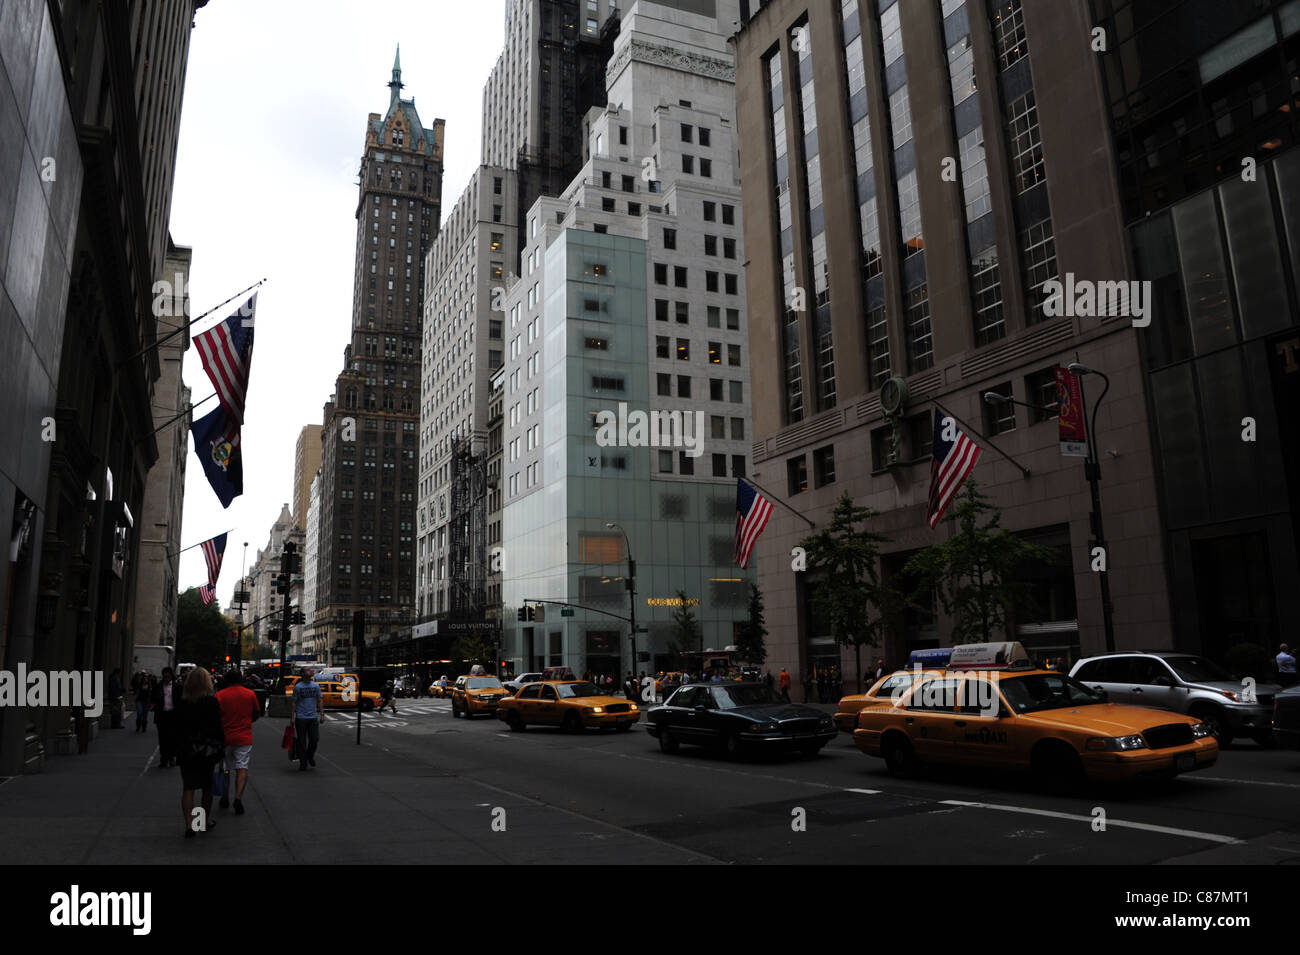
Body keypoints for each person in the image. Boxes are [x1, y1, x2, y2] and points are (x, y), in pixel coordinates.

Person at [176, 667, 224, 838]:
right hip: (206, 751)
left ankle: (189, 824)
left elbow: (177, 728)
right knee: (206, 787)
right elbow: (218, 728)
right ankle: (202, 821)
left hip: (186, 750)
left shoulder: (182, 703)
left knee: (188, 787)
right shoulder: (211, 702)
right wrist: (220, 749)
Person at [215, 669, 261, 815]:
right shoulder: (250, 694)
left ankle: (224, 796)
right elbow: (256, 713)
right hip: (244, 737)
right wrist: (248, 721)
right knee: (242, 767)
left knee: (225, 767)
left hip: (225, 737)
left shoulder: (220, 695)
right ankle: (238, 797)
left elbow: (216, 716)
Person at [290, 668, 324, 771]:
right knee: (301, 742)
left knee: (314, 739)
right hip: (301, 718)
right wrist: (292, 717)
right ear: (303, 674)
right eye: (308, 670)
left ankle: (310, 755)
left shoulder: (316, 686)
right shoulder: (298, 687)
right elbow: (294, 702)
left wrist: (322, 714)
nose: (311, 671)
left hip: (313, 717)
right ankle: (303, 762)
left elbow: (319, 700)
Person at [151, 667, 182, 767]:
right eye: (165, 676)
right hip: (162, 715)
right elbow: (153, 698)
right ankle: (163, 758)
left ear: (171, 676)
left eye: (168, 676)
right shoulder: (158, 686)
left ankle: (171, 757)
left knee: (173, 738)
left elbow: (180, 701)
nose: (166, 678)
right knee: (162, 738)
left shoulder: (177, 687)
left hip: (173, 715)